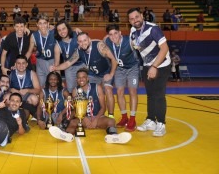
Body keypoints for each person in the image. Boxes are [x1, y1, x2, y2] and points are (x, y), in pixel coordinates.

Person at [48, 68, 132, 144]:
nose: (81, 79)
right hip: (84, 119)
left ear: (87, 78)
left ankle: (114, 136)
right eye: (79, 78)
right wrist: (84, 118)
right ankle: (66, 135)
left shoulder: (97, 87)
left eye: (83, 77)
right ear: (76, 80)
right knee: (73, 122)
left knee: (111, 121)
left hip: (98, 117)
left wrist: (96, 120)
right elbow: (76, 109)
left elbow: (103, 107)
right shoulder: (75, 91)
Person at [50, 32, 117, 118]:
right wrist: (56, 68)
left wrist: (111, 74)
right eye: (80, 41)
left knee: (108, 89)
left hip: (106, 72)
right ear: (78, 42)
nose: (83, 43)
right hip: (93, 74)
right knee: (84, 90)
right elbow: (67, 63)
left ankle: (111, 115)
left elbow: (113, 59)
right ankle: (85, 113)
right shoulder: (79, 51)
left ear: (89, 39)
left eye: (85, 40)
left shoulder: (99, 46)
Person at [127, 7, 171, 137]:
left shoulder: (153, 28)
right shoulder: (133, 32)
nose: (135, 20)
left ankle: (161, 123)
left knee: (158, 94)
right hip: (147, 65)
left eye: (136, 17)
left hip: (161, 65)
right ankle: (151, 120)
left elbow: (164, 48)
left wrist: (155, 66)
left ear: (142, 16)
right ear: (129, 21)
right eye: (131, 19)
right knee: (150, 94)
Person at [104, 24, 140, 132]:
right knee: (119, 92)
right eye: (110, 34)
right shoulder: (107, 41)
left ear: (120, 33)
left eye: (115, 33)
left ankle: (132, 119)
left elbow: (139, 46)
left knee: (132, 91)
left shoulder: (129, 40)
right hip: (119, 69)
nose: (113, 36)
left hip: (132, 68)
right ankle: (124, 117)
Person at [54, 20, 85, 93]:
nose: (62, 32)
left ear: (68, 28)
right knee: (71, 90)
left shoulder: (77, 35)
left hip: (83, 64)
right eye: (59, 30)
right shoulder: (57, 46)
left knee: (85, 88)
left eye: (64, 28)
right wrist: (60, 81)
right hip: (68, 68)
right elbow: (56, 65)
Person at [31, 13, 56, 87]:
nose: (42, 25)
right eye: (40, 23)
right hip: (40, 61)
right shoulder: (34, 35)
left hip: (52, 61)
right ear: (37, 24)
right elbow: (29, 50)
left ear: (48, 24)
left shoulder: (54, 33)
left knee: (53, 84)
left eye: (45, 23)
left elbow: (66, 32)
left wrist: (76, 29)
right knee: (42, 85)